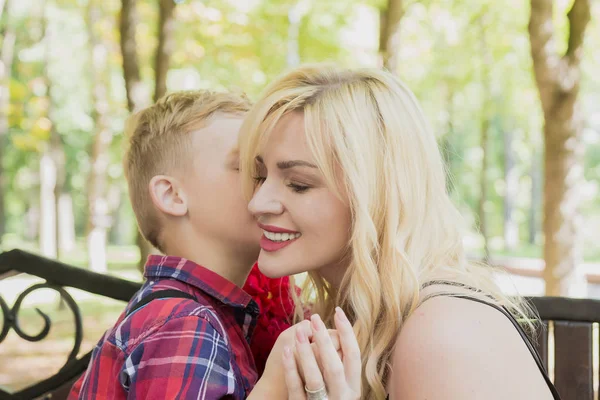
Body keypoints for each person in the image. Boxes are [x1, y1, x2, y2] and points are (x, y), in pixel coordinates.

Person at [239, 64, 561, 400]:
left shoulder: (441, 332)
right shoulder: (360, 314)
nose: (258, 202)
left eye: (298, 184)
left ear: (376, 196)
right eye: (260, 176)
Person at [70, 90, 265, 399]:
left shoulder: (189, 314)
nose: (269, 186)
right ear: (172, 196)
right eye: (246, 168)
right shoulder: (185, 324)